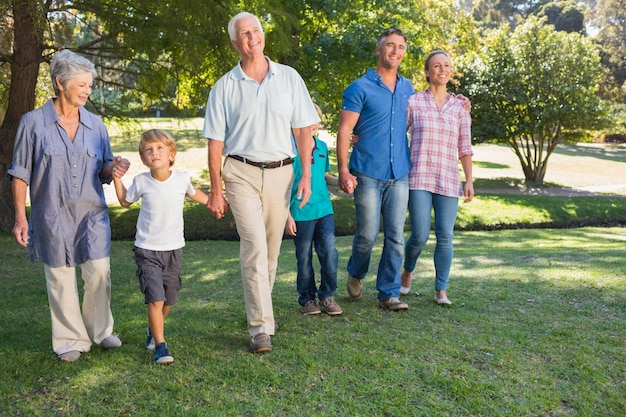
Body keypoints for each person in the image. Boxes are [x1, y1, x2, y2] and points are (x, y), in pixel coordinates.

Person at [202, 12, 320, 353]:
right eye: (244, 33)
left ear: (263, 35)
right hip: (240, 173)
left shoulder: (289, 77)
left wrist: (306, 175)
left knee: (270, 252)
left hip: (282, 173)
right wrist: (215, 189)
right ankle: (259, 329)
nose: (251, 37)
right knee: (253, 245)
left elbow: (303, 131)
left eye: (255, 30)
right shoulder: (224, 86)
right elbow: (215, 143)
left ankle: (264, 318)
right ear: (235, 43)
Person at [9, 49, 129, 362]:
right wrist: (21, 218)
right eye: (82, 85)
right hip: (51, 216)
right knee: (61, 280)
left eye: (90, 85)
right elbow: (20, 174)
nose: (88, 90)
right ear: (61, 83)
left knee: (99, 272)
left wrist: (113, 169)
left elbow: (103, 168)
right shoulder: (32, 123)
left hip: (92, 214)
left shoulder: (96, 124)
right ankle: (68, 341)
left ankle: (100, 330)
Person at [112, 129, 210, 364]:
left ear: (171, 154)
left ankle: (153, 329)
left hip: (174, 250)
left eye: (159, 148)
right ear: (144, 158)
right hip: (147, 250)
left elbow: (202, 198)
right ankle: (161, 345)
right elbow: (125, 201)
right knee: (155, 299)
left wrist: (218, 203)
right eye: (149, 150)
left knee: (169, 299)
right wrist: (117, 178)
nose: (154, 153)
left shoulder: (182, 179)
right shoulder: (141, 181)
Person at [336, 28, 414, 311]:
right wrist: (344, 170)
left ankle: (388, 293)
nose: (396, 51)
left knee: (395, 235)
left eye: (401, 47)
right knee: (367, 234)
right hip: (367, 171)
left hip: (399, 173)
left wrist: (458, 100)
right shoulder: (359, 87)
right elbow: (344, 131)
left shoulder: (408, 89)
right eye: (390, 46)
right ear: (379, 50)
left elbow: (426, 114)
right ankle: (356, 272)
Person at [400, 50, 474, 305]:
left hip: (448, 180)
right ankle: (407, 270)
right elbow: (396, 133)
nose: (442, 70)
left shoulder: (460, 107)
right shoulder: (414, 102)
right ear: (427, 71)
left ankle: (441, 289)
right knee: (419, 235)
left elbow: (465, 147)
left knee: (445, 235)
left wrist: (470, 181)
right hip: (419, 177)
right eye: (436, 66)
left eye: (446, 66)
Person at [285, 104, 346, 316]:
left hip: (324, 210)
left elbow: (323, 177)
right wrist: (287, 215)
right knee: (304, 257)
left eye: (315, 120)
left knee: (329, 252)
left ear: (318, 124)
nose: (311, 123)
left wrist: (341, 182)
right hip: (300, 212)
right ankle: (307, 299)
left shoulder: (322, 147)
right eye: (306, 119)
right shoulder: (288, 150)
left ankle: (327, 296)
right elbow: (282, 185)